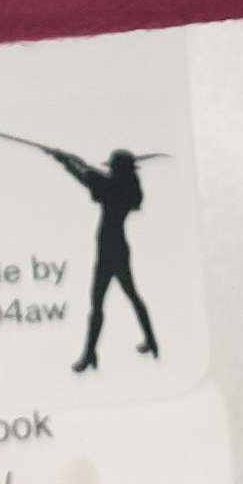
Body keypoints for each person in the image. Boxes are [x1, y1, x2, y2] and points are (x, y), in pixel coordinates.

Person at [41, 146, 160, 372]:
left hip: (108, 252)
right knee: (132, 297)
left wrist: (64, 161)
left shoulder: (110, 187)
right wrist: (72, 158)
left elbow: (85, 175)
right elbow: (90, 172)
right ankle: (151, 342)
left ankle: (89, 355)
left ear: (117, 170)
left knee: (97, 304)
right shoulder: (129, 188)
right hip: (119, 248)